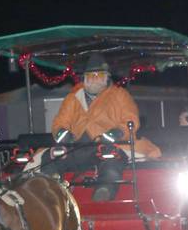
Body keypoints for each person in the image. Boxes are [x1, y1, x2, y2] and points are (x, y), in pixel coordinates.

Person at [46, 53, 161, 200]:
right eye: (90, 75)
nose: (94, 78)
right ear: (84, 77)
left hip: (108, 145)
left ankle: (104, 191)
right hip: (79, 146)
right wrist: (63, 134)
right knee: (51, 158)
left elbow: (131, 119)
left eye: (98, 74)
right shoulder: (73, 98)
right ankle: (47, 192)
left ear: (106, 76)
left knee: (112, 161)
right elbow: (59, 122)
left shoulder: (119, 95)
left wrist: (117, 133)